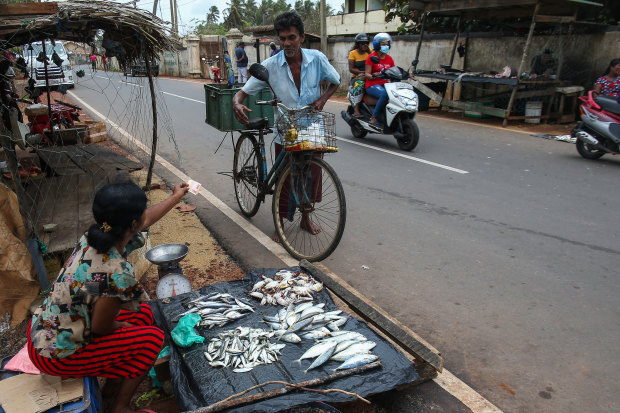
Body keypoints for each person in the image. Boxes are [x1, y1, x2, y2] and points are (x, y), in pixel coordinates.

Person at [28, 181, 189, 413]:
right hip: (56, 353)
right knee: (152, 339)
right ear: (133, 224)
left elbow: (145, 219)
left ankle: (112, 388)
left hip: (45, 328)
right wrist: (122, 326)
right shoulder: (115, 271)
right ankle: (119, 407)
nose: (145, 216)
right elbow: (101, 327)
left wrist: (175, 197)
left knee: (144, 314)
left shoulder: (95, 236)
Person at [232, 11, 340, 242]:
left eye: (291, 37)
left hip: (313, 128)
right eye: (282, 39)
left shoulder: (317, 59)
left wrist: (322, 100)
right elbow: (242, 92)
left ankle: (304, 218)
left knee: (311, 176)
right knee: (285, 177)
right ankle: (279, 223)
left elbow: (336, 81)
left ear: (301, 37)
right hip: (287, 130)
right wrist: (236, 103)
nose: (286, 43)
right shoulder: (270, 65)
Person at [365, 32, 395, 126]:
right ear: (377, 45)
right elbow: (367, 73)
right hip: (372, 85)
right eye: (383, 44)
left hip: (385, 84)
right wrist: (373, 75)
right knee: (384, 94)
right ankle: (374, 117)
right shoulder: (371, 57)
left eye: (387, 44)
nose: (386, 46)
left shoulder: (389, 58)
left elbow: (393, 70)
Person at [348, 33, 371, 118]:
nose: (365, 45)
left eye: (366, 43)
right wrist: (362, 72)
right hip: (357, 77)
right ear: (358, 44)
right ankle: (356, 109)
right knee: (360, 85)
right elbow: (351, 69)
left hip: (369, 76)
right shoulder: (353, 53)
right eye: (362, 43)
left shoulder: (370, 52)